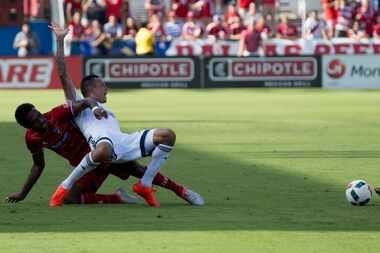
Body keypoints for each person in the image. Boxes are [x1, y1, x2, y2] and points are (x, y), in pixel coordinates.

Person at [49, 23, 183, 208]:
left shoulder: (108, 111)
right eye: (103, 85)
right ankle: (65, 186)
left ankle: (145, 185)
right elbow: (63, 73)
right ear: (91, 88)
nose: (107, 88)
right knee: (104, 148)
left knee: (167, 135)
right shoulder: (77, 102)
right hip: (102, 147)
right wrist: (60, 39)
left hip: (123, 143)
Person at [6, 102, 203, 206]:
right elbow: (38, 165)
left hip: (103, 151)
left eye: (39, 115)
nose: (42, 120)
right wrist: (23, 193)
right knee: (71, 199)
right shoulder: (32, 139)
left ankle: (182, 191)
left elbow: (86, 101)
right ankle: (117, 198)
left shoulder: (56, 114)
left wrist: (94, 108)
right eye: (35, 121)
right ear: (27, 127)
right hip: (87, 167)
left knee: (137, 170)